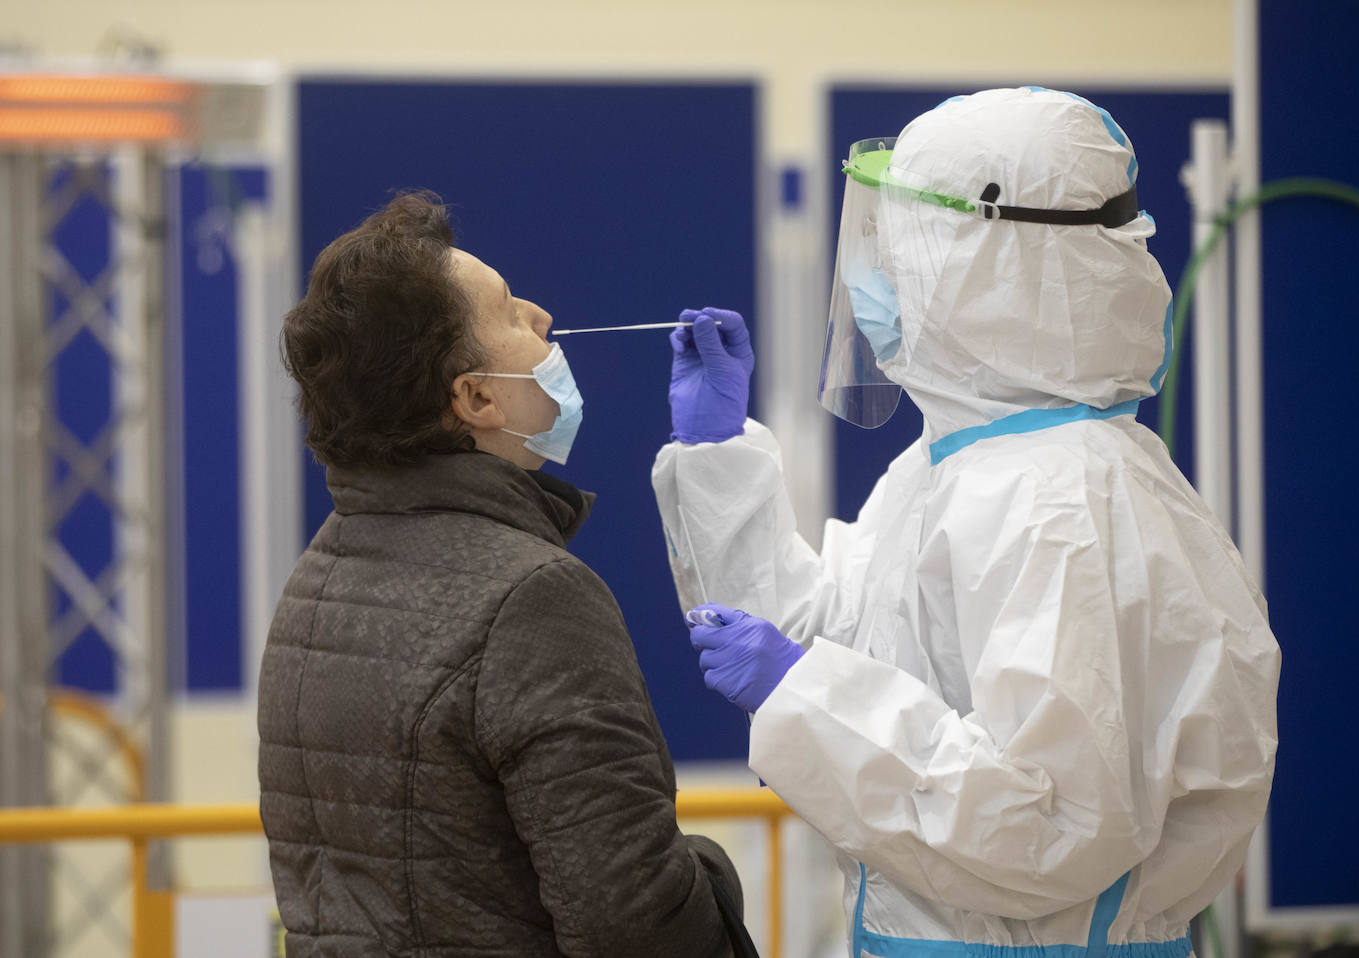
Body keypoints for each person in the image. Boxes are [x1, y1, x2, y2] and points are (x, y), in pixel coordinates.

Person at [652, 88, 1280, 958]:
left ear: (991, 261)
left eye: (898, 245)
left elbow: (1048, 825)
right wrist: (718, 458)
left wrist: (805, 691)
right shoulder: (948, 468)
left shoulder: (1068, 503)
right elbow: (820, 641)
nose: (873, 276)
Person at [259, 191, 751, 957]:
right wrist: (714, 877)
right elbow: (635, 923)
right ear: (477, 397)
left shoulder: (318, 576)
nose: (543, 316)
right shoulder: (532, 597)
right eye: (511, 313)